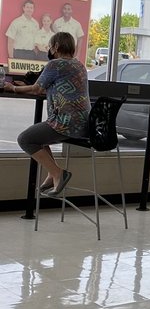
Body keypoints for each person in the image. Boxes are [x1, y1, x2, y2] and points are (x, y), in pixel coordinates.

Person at [3, 31, 90, 196]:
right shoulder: (79, 65)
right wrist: (25, 87)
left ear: (56, 46)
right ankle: (52, 173)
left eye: (49, 46)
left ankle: (58, 173)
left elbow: (37, 89)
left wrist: (13, 88)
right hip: (83, 124)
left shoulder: (55, 64)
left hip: (66, 123)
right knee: (39, 137)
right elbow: (50, 88)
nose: (49, 50)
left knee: (25, 139)